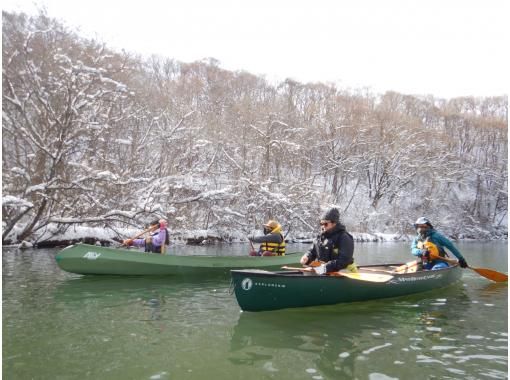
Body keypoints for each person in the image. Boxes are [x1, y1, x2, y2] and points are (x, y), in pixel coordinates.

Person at [300, 208, 357, 274]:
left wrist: (325, 268)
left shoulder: (344, 237)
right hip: (327, 272)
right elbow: (312, 252)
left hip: (346, 273)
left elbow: (344, 260)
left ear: (334, 223)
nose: (323, 226)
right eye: (321, 223)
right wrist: (307, 257)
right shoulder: (320, 237)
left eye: (325, 224)